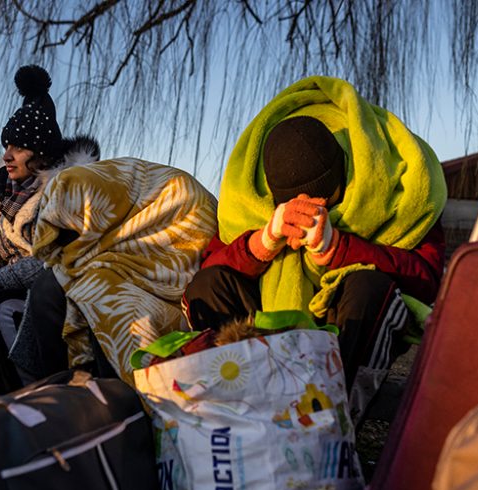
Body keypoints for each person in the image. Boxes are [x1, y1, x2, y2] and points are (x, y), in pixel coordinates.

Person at [183, 76, 447, 418]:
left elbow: (426, 276)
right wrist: (263, 241)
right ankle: (236, 408)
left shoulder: (395, 185)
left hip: (344, 325)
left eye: (321, 199)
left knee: (369, 285)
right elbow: (209, 267)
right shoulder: (250, 195)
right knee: (208, 284)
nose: (307, 209)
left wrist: (339, 248)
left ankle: (334, 418)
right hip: (268, 324)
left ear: (342, 177)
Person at [0, 64, 101, 383]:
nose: (7, 156)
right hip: (9, 292)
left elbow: (53, 259)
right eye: (6, 147)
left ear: (41, 153)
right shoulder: (2, 200)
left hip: (56, 296)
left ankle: (35, 391)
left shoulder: (69, 191)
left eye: (18, 148)